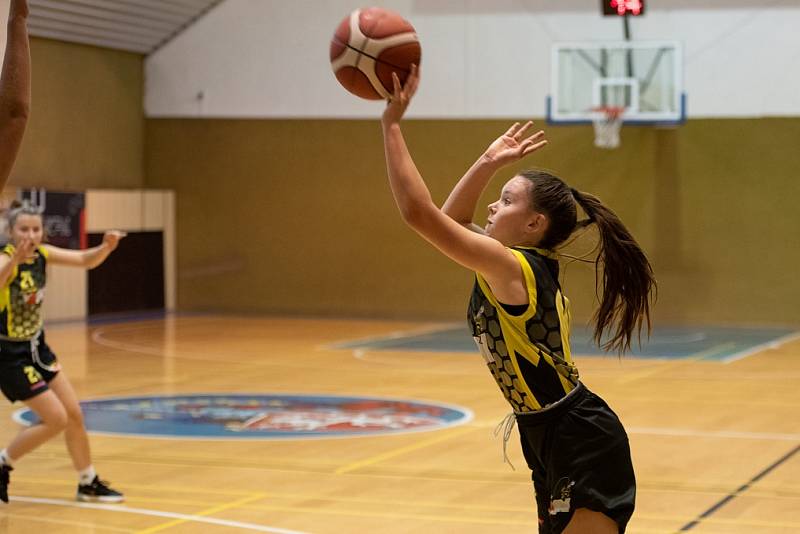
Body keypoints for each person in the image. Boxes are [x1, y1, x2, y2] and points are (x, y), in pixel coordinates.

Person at [381, 66, 656, 533]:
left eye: (505, 200)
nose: (492, 205)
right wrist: (488, 163)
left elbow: (419, 214)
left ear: (534, 224)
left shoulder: (513, 267)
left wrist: (391, 125)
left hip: (578, 436)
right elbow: (451, 219)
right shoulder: (510, 264)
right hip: (545, 433)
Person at [0, 201, 127, 503]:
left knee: (73, 415)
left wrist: (105, 247)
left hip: (37, 348)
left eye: (36, 228)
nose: (30, 235)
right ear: (11, 231)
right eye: (24, 229)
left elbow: (84, 259)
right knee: (55, 419)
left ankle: (87, 481)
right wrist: (13, 262)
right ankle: (3, 461)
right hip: (8, 354)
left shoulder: (43, 254)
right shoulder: (5, 258)